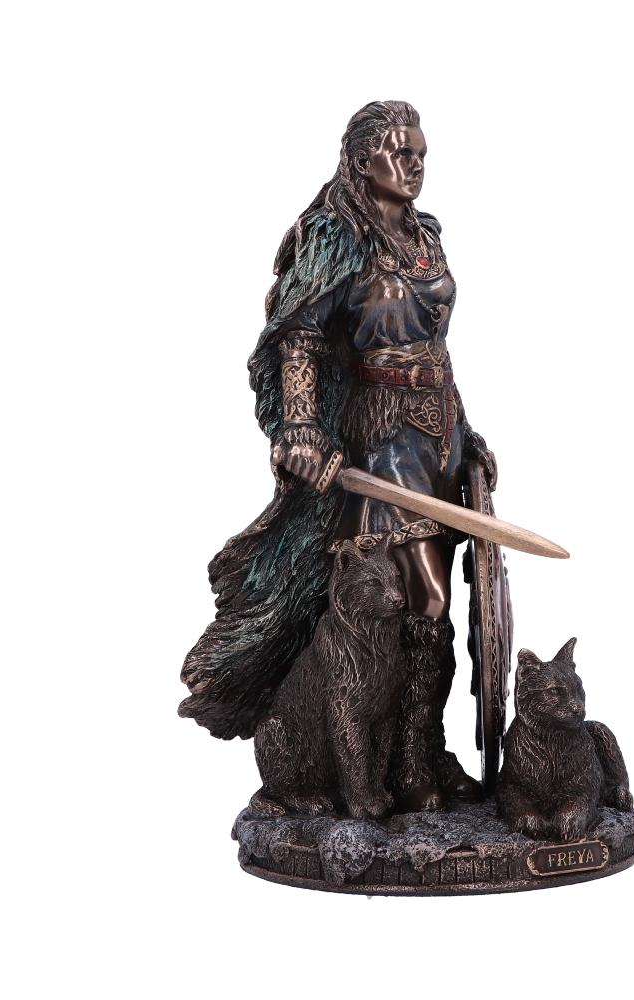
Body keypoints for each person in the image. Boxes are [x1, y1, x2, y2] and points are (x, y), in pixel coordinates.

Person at [180, 101, 497, 812]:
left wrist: (468, 433)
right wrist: (299, 426)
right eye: (399, 153)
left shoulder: (426, 235)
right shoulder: (336, 234)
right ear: (361, 160)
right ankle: (399, 763)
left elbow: (437, 347)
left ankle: (422, 754)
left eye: (420, 153)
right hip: (379, 438)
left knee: (431, 606)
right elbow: (299, 333)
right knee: (419, 595)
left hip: (437, 432)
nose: (414, 165)